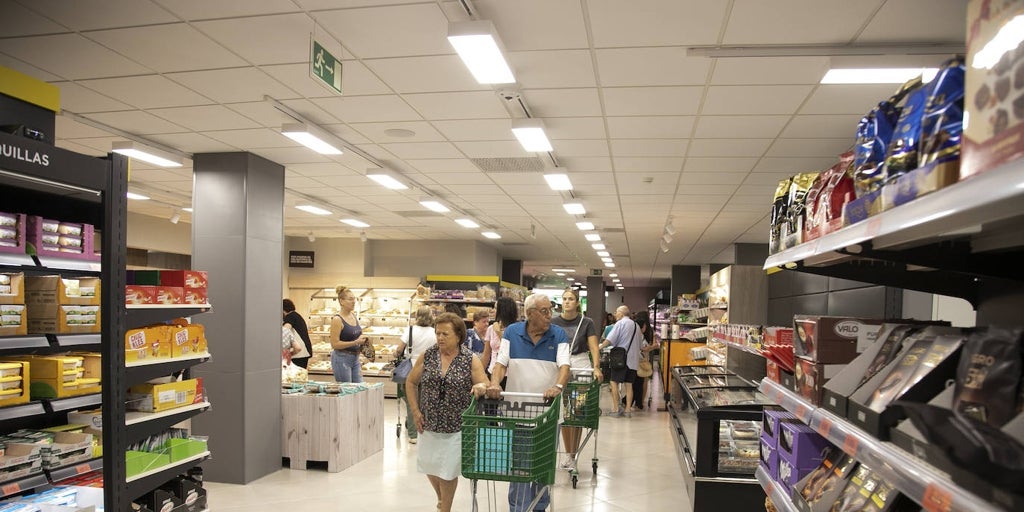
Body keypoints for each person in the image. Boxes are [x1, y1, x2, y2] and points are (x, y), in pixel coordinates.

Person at [486, 294, 570, 512]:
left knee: (543, 466)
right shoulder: (513, 332)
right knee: (520, 467)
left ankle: (540, 506)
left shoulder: (558, 334)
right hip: (517, 412)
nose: (549, 316)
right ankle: (519, 508)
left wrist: (557, 388)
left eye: (550, 310)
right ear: (530, 313)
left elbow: (564, 367)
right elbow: (501, 362)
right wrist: (495, 383)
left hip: (547, 415)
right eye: (544, 311)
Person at [406, 313, 489, 512]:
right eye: (437, 333)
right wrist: (416, 411)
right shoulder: (429, 355)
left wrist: (480, 387)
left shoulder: (470, 359)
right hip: (429, 422)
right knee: (430, 466)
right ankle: (441, 499)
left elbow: (484, 382)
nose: (440, 337)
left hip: (457, 425)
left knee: (448, 471)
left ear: (459, 335)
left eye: (445, 334)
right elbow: (410, 382)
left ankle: (445, 508)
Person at [550, 288, 601, 470]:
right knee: (564, 413)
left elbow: (594, 347)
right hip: (560, 364)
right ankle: (567, 452)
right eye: (564, 299)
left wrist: (596, 367)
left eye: (571, 299)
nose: (567, 302)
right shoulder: (554, 321)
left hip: (580, 364)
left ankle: (573, 454)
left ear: (578, 302)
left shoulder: (586, 322)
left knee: (576, 412)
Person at [395, 306, 438, 444]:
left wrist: (396, 354)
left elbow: (399, 350)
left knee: (411, 402)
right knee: (426, 402)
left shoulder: (410, 330)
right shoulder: (435, 332)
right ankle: (426, 431)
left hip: (410, 370)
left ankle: (413, 435)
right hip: (429, 370)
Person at [600, 305, 642, 417]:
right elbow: (641, 345)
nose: (615, 314)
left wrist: (599, 347)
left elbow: (610, 339)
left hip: (621, 360)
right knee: (629, 385)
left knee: (613, 382)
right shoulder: (636, 326)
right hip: (633, 361)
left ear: (622, 314)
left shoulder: (620, 323)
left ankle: (615, 409)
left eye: (616, 312)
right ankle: (628, 410)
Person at [329, 285, 370, 383]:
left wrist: (362, 338)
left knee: (360, 388)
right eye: (350, 299)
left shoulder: (353, 315)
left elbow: (355, 334)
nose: (354, 301)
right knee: (347, 390)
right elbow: (335, 344)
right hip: (342, 358)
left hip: (355, 358)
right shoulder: (337, 319)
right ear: (341, 301)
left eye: (354, 299)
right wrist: (355, 342)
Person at [480, 297, 518, 376]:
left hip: (510, 375)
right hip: (493, 372)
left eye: (496, 308)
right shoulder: (491, 328)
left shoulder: (516, 329)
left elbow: (513, 350)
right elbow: (486, 355)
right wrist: (479, 374)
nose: (493, 310)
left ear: (503, 311)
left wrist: (499, 332)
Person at [629, 311, 657, 411]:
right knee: (644, 379)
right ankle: (641, 401)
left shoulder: (634, 329)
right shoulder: (651, 331)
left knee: (635, 379)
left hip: (636, 357)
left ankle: (635, 400)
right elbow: (655, 344)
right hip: (645, 358)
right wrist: (650, 348)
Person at [283, 298, 313, 369]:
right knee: (300, 375)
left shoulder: (290, 317)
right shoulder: (296, 315)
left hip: (298, 353)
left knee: (295, 376)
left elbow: (285, 330)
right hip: (304, 351)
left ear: (283, 310)